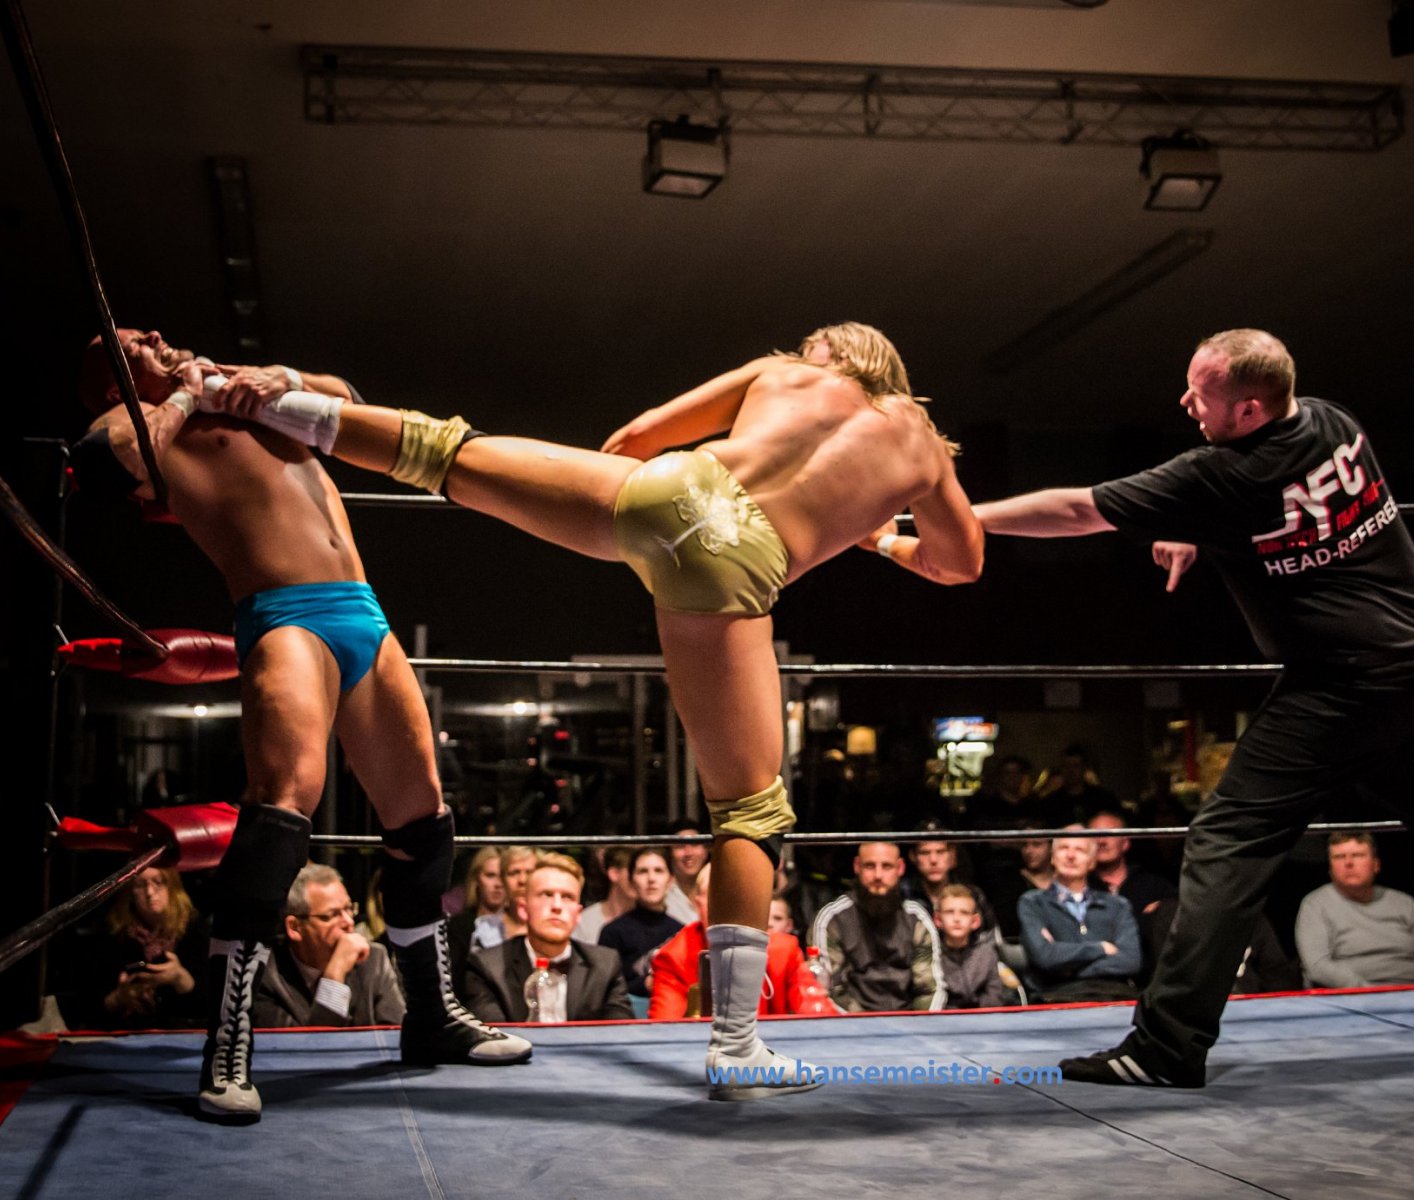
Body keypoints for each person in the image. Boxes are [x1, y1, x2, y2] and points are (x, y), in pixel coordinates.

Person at [206, 321, 983, 1097]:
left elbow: (634, 438)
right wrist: (880, 541)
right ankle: (737, 1045)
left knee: (449, 453)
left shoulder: (783, 374)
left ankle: (258, 397)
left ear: (831, 355)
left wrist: (648, 521)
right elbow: (960, 563)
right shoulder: (922, 449)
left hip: (676, 487)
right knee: (751, 810)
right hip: (741, 561)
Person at [975, 327, 1414, 1087]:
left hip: (1339, 685)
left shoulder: (1221, 473)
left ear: (1250, 408)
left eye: (1202, 392)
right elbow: (1288, 512)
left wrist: (958, 517)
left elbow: (1077, 511)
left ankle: (1165, 1048)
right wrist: (1196, 532)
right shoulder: (1333, 421)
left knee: (1227, 839)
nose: (1185, 401)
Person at [72, 330, 529, 1122]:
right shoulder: (150, 427)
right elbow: (107, 465)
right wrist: (182, 395)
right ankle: (228, 1043)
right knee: (280, 814)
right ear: (114, 382)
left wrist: (276, 377)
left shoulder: (241, 395)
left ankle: (431, 1017)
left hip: (362, 611)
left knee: (422, 819)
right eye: (133, 343)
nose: (156, 337)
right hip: (285, 614)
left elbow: (349, 401)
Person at [461, 853, 632, 1023]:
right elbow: (492, 1036)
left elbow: (620, 1033)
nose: (557, 906)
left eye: (567, 897)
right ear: (523, 909)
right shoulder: (487, 967)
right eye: (546, 895)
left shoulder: (605, 965)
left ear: (578, 914)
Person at [650, 864, 812, 1019]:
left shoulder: (784, 950)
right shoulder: (673, 958)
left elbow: (816, 1014)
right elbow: (667, 1029)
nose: (726, 907)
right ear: (698, 904)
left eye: (735, 896)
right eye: (715, 896)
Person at [57, 865, 208, 1031]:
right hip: (127, 1031)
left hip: (182, 1031)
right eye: (140, 885)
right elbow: (86, 1007)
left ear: (172, 887)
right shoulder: (115, 932)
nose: (150, 892)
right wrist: (119, 998)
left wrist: (180, 978)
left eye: (158, 882)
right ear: (130, 893)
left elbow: (209, 1005)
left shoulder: (195, 929)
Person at [1295, 831, 1414, 988]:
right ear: (1330, 867)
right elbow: (1317, 965)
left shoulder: (1404, 903)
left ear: (1376, 864)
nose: (1348, 863)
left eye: (1357, 855)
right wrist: (1368, 992)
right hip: (1349, 996)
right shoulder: (1315, 904)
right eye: (1339, 857)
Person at [253, 865, 407, 1027]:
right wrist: (335, 974)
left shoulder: (373, 959)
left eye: (349, 909)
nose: (348, 922)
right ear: (295, 927)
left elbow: (395, 1033)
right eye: (332, 915)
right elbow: (314, 1042)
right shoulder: (264, 975)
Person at [809, 841, 945, 1012]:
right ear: (857, 866)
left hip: (908, 1022)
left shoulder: (917, 919)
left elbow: (929, 989)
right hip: (850, 1022)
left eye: (887, 866)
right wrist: (866, 1024)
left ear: (900, 868)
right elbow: (828, 989)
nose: (878, 875)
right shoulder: (832, 920)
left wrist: (917, 1024)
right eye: (869, 866)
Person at [1017, 829, 1142, 1001]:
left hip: (1112, 995)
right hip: (1055, 997)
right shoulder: (1033, 902)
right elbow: (1045, 956)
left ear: (1092, 862)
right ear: (1052, 857)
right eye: (1064, 848)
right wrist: (1100, 948)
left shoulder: (1118, 905)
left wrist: (1068, 969)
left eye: (1080, 850)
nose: (1071, 855)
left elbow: (1130, 960)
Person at [598, 848, 685, 998]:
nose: (651, 878)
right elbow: (603, 988)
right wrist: (646, 984)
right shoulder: (612, 933)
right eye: (642, 871)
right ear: (631, 881)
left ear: (671, 880)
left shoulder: (682, 932)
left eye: (658, 870)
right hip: (626, 1011)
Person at [933, 884, 1011, 1009]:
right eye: (949, 912)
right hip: (944, 1017)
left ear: (975, 921)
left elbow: (995, 996)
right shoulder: (931, 954)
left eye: (964, 913)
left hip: (983, 1016)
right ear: (938, 919)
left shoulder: (986, 953)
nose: (957, 919)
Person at [1086, 810, 1176, 917]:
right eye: (1095, 835)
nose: (1101, 841)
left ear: (1125, 843)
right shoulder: (1079, 887)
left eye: (1109, 834)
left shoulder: (1154, 886)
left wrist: (1165, 908)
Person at [577, 847, 637, 943]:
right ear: (614, 874)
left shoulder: (651, 922)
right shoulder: (585, 921)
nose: (637, 879)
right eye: (632, 872)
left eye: (641, 872)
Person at [663, 823, 711, 926]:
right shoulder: (661, 893)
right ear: (670, 852)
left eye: (694, 844)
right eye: (680, 846)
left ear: (705, 850)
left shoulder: (719, 891)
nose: (688, 853)